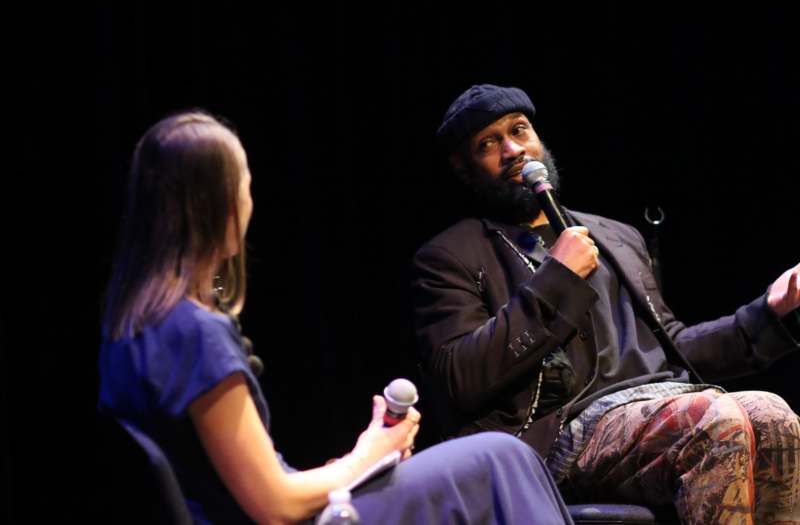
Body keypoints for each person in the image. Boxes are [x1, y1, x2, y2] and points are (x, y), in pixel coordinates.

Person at [98, 111, 576, 524]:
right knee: (502, 455)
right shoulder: (194, 333)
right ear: (217, 204)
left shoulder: (135, 329)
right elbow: (276, 506)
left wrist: (356, 463)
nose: (248, 204)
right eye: (244, 186)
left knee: (496, 458)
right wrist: (368, 455)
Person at [411, 84, 800, 524]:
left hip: (660, 402)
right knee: (716, 421)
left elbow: (673, 347)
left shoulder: (615, 236)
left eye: (520, 130)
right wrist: (555, 279)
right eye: (489, 143)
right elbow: (459, 377)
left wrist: (770, 311)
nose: (514, 149)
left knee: (776, 417)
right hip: (562, 434)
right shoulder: (451, 256)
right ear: (465, 169)